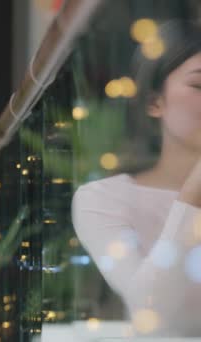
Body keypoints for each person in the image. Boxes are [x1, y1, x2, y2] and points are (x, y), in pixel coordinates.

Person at [72, 19, 201, 336]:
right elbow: (154, 311)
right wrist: (193, 192)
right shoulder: (102, 199)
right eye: (199, 86)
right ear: (154, 101)